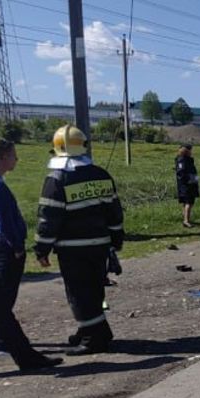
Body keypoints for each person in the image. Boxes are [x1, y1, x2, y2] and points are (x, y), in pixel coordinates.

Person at [35, 125, 125, 355]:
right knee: (94, 289)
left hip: (72, 248)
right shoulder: (101, 174)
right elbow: (114, 212)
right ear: (83, 146)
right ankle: (96, 330)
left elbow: (49, 217)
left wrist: (41, 248)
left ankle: (93, 338)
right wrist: (116, 239)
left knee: (79, 293)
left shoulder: (57, 179)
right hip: (100, 245)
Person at [0, 138, 62, 371]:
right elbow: (5, 221)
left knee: (0, 309)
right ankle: (23, 356)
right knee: (1, 306)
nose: (17, 159)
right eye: (13, 155)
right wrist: (17, 246)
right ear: (2, 158)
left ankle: (24, 356)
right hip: (3, 247)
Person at [175, 143, 199, 227]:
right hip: (187, 184)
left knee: (187, 202)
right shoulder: (182, 160)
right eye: (190, 149)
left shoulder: (187, 159)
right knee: (189, 202)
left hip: (189, 183)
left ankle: (185, 219)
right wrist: (189, 180)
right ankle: (186, 221)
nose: (191, 151)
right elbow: (181, 172)